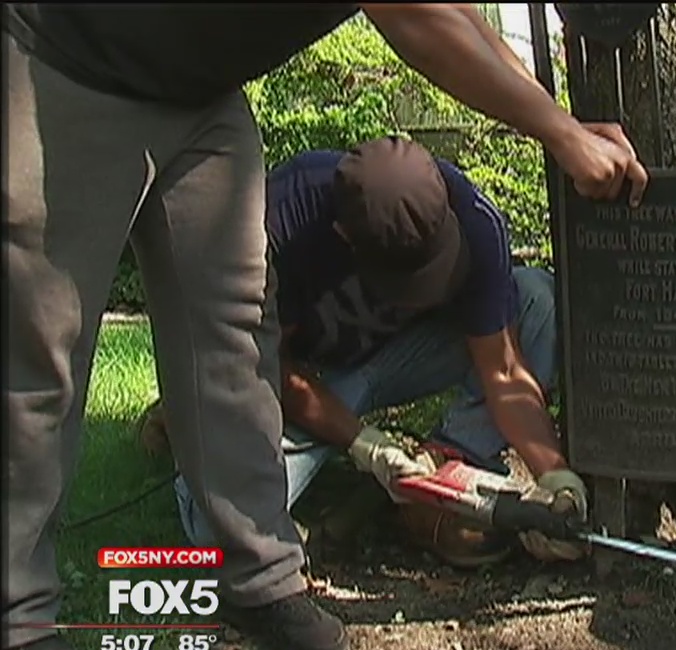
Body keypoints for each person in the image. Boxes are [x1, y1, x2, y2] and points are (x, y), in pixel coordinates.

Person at [3, 3, 647, 650]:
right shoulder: (303, 206)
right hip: (68, 64)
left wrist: (561, 122)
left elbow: (458, 11)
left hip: (199, 93)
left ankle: (260, 579)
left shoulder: (472, 228)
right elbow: (418, 20)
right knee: (42, 347)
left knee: (233, 334)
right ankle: (16, 623)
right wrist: (557, 134)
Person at [151, 136, 586, 568]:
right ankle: (181, 416)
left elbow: (505, 371)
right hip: (304, 377)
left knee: (535, 301)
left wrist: (556, 475)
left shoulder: (474, 218)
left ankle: (436, 487)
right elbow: (264, 363)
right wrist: (364, 444)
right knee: (216, 532)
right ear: (344, 235)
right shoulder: (278, 220)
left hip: (403, 355)